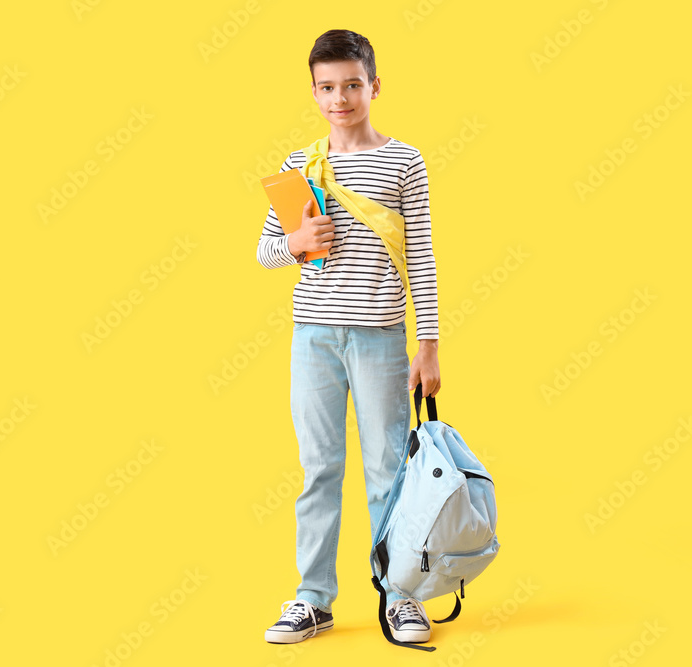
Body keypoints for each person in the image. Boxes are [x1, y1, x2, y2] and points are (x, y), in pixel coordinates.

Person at [256, 28, 440, 645]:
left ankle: (400, 594)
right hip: (313, 337)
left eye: (352, 85)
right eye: (328, 88)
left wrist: (429, 345)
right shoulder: (299, 167)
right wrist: (297, 244)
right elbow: (265, 252)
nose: (341, 98)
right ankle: (314, 599)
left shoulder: (403, 160)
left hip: (381, 338)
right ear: (313, 93)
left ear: (374, 86)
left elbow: (423, 258)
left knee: (389, 466)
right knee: (319, 467)